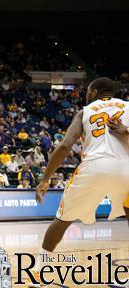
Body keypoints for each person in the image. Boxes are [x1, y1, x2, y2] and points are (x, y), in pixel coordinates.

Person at [30, 77, 129, 287]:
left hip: (95, 166)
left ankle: (38, 273)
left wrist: (46, 179)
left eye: (87, 91)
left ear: (93, 93)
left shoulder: (85, 111)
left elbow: (65, 146)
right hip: (126, 168)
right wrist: (126, 131)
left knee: (63, 219)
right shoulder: (128, 107)